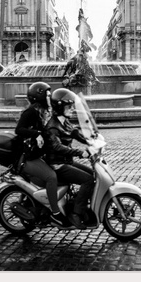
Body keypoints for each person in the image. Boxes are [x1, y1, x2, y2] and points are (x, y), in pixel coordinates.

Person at [14, 82, 66, 228]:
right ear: (40, 96)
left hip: (39, 154)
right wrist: (36, 134)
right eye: (48, 94)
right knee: (51, 177)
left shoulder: (44, 110)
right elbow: (19, 130)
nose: (50, 97)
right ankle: (55, 214)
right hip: (29, 157)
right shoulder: (30, 112)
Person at [43, 88, 95, 230]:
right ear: (60, 107)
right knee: (88, 180)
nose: (72, 109)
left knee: (93, 174)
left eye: (72, 106)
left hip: (66, 162)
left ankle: (77, 203)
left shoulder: (64, 122)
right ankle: (76, 214)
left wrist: (92, 141)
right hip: (57, 165)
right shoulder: (52, 126)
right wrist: (80, 152)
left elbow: (75, 133)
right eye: (69, 106)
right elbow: (57, 147)